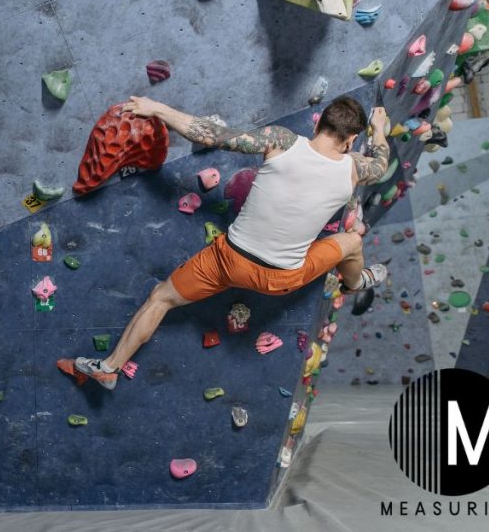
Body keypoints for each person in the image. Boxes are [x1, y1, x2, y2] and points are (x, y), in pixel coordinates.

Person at [74, 95, 390, 390]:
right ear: (350, 141)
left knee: (160, 298)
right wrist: (378, 132)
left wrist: (157, 108)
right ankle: (355, 282)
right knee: (350, 241)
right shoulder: (355, 169)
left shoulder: (282, 140)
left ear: (318, 125)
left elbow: (211, 135)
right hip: (282, 278)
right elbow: (380, 163)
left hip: (228, 262)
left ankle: (111, 367)